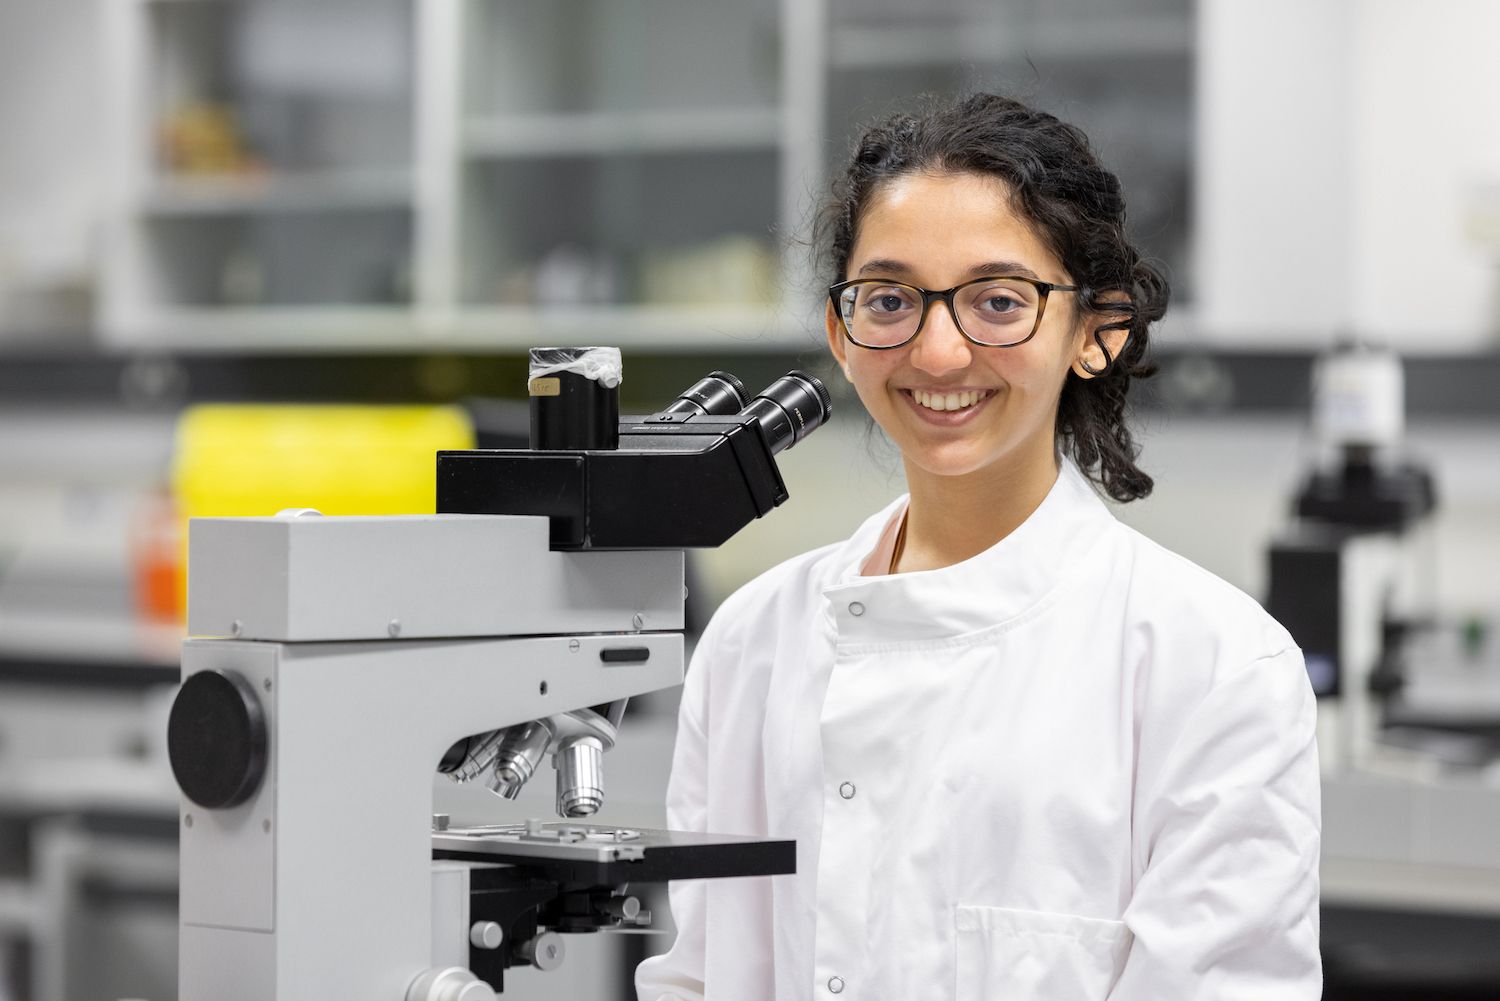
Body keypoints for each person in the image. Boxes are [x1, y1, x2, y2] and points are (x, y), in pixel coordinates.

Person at [636, 93, 1320, 1000]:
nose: (940, 350)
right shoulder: (752, 643)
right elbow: (705, 976)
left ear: (1097, 331)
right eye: (889, 299)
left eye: (999, 301)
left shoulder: (1214, 665)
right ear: (842, 334)